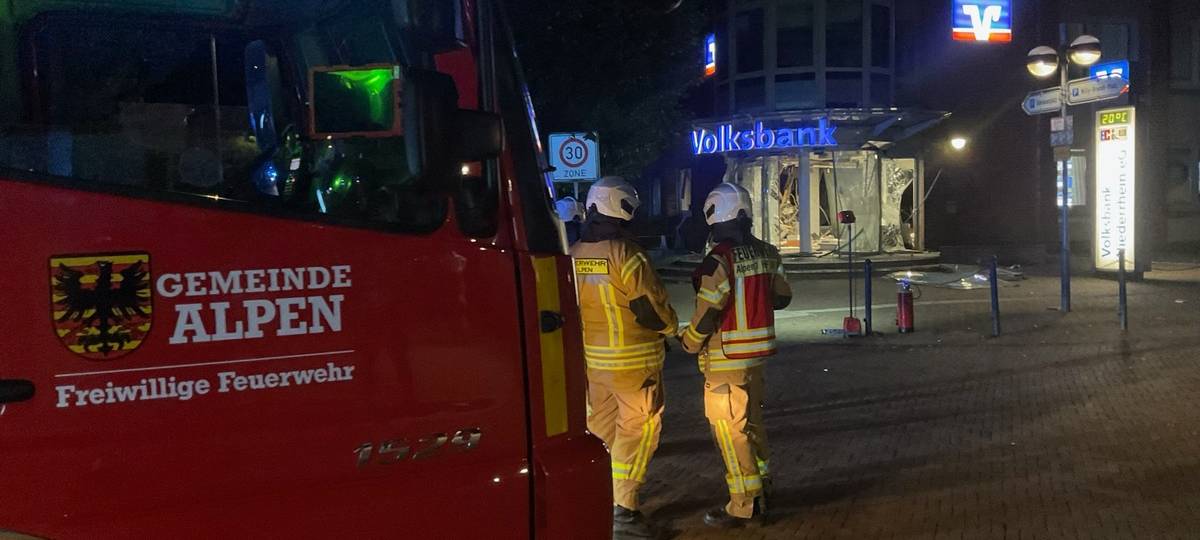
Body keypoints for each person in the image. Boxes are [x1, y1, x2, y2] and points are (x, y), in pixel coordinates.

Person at [570, 176, 678, 539]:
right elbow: (649, 309)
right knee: (638, 431)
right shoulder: (627, 254)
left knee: (600, 431)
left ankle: (596, 501)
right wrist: (672, 329)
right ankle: (624, 511)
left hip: (594, 365)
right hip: (635, 364)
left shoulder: (573, 254)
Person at [679, 182, 792, 528]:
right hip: (756, 358)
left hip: (725, 360)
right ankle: (763, 486)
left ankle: (745, 504)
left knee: (730, 433)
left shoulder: (718, 261)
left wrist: (689, 343)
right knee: (752, 425)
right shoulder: (769, 252)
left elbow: (708, 313)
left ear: (716, 216)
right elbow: (782, 298)